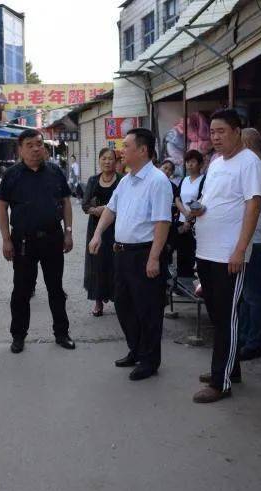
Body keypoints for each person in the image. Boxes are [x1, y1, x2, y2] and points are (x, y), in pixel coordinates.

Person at [191, 109, 261, 403]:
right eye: (212, 132)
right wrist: (195, 210)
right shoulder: (217, 163)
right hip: (206, 251)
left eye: (221, 131)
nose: (215, 137)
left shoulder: (249, 163)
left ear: (237, 131)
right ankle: (229, 369)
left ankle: (221, 383)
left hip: (228, 255)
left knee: (226, 318)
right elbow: (212, 202)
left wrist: (240, 249)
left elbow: (253, 206)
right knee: (216, 314)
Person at [89, 128, 172, 381]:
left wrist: (154, 257)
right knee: (124, 306)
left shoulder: (157, 181)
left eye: (126, 146)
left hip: (144, 254)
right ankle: (135, 350)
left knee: (148, 310)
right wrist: (98, 234)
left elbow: (162, 222)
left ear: (143, 150)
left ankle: (149, 360)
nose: (120, 151)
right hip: (121, 254)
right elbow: (110, 210)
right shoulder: (126, 181)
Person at [0, 129, 76, 353]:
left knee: (56, 289)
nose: (36, 148)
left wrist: (68, 231)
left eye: (39, 144)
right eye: (30, 144)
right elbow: (2, 207)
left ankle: (61, 333)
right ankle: (18, 336)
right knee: (21, 290)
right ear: (20, 149)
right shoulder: (12, 175)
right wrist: (6, 239)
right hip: (23, 242)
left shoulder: (55, 171)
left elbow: (66, 202)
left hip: (53, 238)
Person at [236, 128, 261, 360]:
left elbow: (251, 204)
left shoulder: (260, 168)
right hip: (248, 237)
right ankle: (243, 336)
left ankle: (253, 342)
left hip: (253, 238)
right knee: (245, 293)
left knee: (252, 293)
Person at [82, 148, 120, 317]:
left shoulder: (121, 180)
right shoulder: (92, 180)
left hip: (117, 228)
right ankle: (98, 302)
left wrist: (107, 209)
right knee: (96, 263)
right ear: (99, 161)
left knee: (116, 263)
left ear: (115, 161)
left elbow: (124, 203)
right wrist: (95, 210)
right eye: (104, 158)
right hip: (96, 228)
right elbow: (85, 205)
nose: (107, 162)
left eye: (110, 159)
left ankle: (119, 299)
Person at [173, 150, 205, 278]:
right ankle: (181, 283)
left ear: (200, 164)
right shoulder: (184, 180)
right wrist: (185, 213)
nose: (189, 165)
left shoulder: (204, 180)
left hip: (195, 223)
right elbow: (177, 198)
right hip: (182, 221)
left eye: (193, 162)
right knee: (182, 253)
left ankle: (194, 283)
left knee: (194, 254)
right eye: (187, 162)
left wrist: (190, 218)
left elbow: (202, 200)